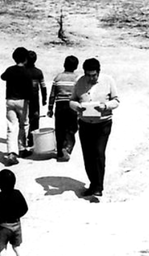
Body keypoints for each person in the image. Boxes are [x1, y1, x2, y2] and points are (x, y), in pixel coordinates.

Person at [70, 58, 119, 198]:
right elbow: (72, 100)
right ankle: (93, 183)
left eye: (94, 75)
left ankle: (98, 186)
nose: (91, 78)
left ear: (99, 72)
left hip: (103, 123)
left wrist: (105, 106)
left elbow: (116, 100)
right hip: (85, 124)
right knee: (88, 155)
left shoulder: (108, 80)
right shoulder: (79, 82)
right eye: (88, 75)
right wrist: (76, 107)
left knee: (98, 153)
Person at [0, 47, 33, 164]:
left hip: (10, 100)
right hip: (22, 101)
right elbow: (30, 90)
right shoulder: (27, 72)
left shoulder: (10, 70)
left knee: (11, 126)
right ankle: (22, 148)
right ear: (25, 59)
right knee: (24, 124)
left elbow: (2, 77)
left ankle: (11, 153)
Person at [48, 55, 80, 162]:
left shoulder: (57, 77)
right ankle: (68, 147)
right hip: (72, 105)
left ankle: (60, 153)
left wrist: (50, 108)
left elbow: (52, 94)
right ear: (76, 66)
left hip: (60, 106)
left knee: (59, 128)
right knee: (72, 128)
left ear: (64, 65)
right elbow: (80, 94)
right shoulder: (77, 79)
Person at [0, 168, 29, 255]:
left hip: (3, 226)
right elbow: (25, 208)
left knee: (2, 248)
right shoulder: (17, 193)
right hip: (16, 225)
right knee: (17, 247)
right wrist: (16, 215)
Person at [24, 50, 46, 153]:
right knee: (35, 118)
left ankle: (23, 139)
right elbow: (43, 86)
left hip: (23, 98)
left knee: (24, 119)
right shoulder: (38, 72)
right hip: (35, 99)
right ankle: (32, 139)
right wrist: (44, 99)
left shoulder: (23, 71)